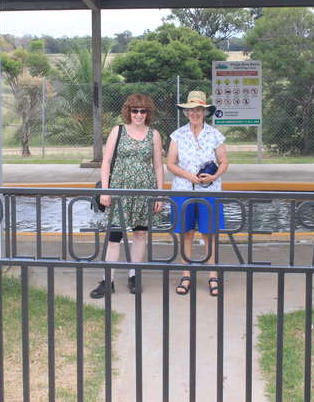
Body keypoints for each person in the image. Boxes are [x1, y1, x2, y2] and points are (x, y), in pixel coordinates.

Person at [90, 93, 164, 298]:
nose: (138, 114)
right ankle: (108, 280)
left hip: (144, 192)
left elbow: (158, 166)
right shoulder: (118, 131)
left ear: (148, 113)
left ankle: (134, 275)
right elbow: (106, 162)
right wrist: (106, 189)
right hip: (119, 190)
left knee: (140, 234)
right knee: (114, 236)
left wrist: (159, 194)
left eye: (143, 111)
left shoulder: (154, 135)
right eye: (135, 110)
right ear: (128, 111)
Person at [166, 90, 229, 297]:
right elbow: (170, 163)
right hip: (183, 190)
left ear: (204, 112)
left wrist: (214, 176)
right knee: (186, 233)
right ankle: (186, 274)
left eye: (199, 109)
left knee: (209, 233)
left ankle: (213, 276)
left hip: (209, 190)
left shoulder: (214, 134)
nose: (195, 113)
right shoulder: (177, 135)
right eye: (191, 110)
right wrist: (188, 176)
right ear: (186, 112)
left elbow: (224, 161)